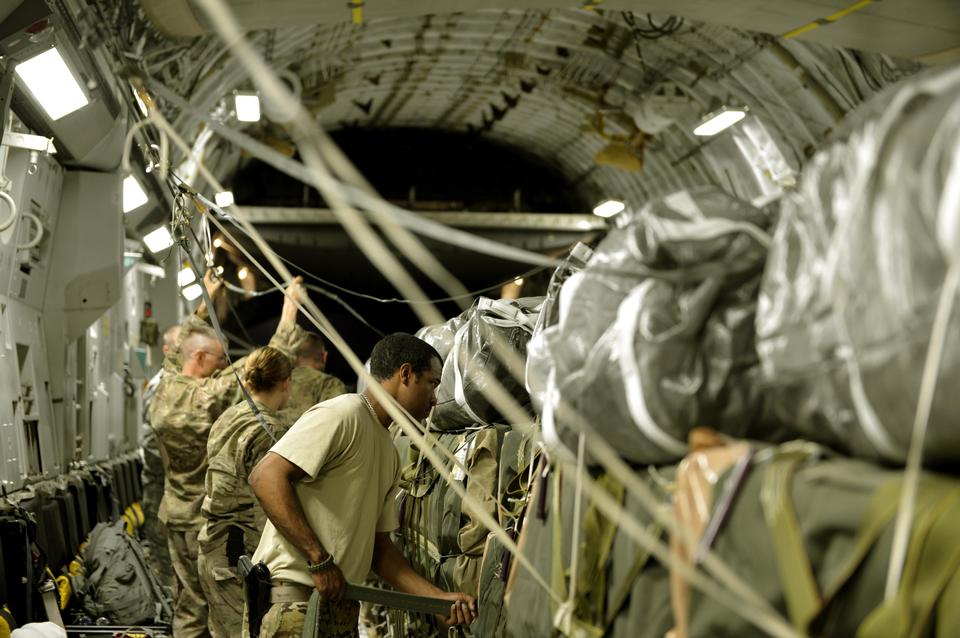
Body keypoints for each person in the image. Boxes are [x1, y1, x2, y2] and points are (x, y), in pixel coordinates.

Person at [248, 333, 477, 638]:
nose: (435, 399)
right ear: (406, 374)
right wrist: (319, 561)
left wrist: (436, 599)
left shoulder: (386, 447)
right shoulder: (343, 415)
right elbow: (266, 476)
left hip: (337, 605)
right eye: (432, 384)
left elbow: (379, 549)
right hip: (296, 603)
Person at [149, 274, 308, 638]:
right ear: (201, 358)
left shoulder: (167, 385)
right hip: (206, 524)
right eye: (219, 359)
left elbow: (179, 352)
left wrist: (206, 302)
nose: (224, 365)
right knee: (228, 616)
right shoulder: (209, 397)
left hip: (173, 513)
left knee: (188, 608)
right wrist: (290, 308)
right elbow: (268, 365)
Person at [198, 346, 294, 638]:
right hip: (241, 557)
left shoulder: (227, 417)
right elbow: (273, 502)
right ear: (286, 383)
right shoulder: (271, 430)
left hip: (214, 546)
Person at [141, 324, 180, 589]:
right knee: (161, 547)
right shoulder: (161, 386)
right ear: (166, 349)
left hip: (172, 482)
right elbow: (152, 440)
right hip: (161, 482)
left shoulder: (180, 384)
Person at [279, 332, 347, 424]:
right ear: (324, 356)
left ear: (295, 357)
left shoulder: (279, 383)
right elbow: (339, 422)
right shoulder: (329, 384)